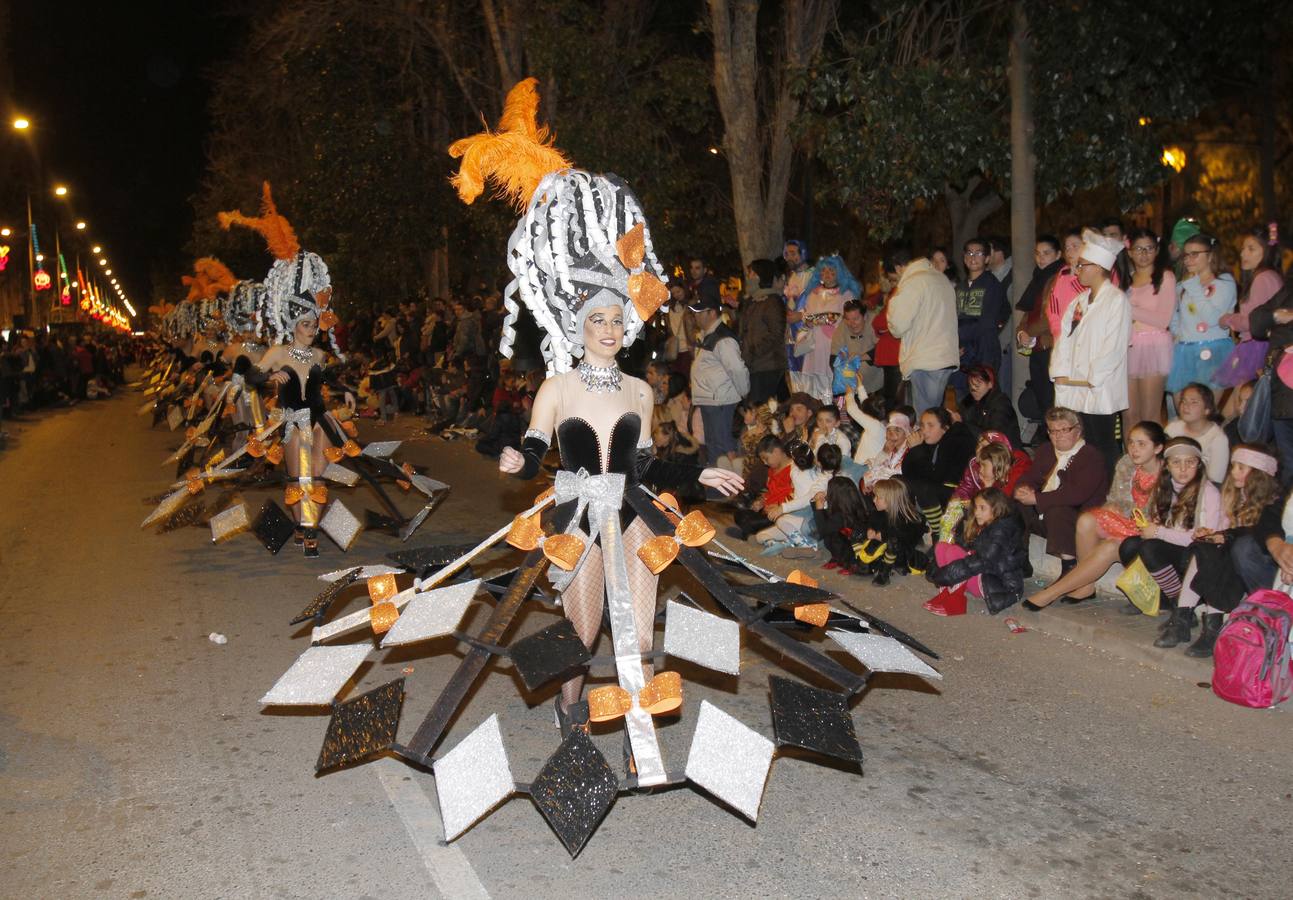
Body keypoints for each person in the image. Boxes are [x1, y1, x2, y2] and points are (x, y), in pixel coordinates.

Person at [459, 87, 745, 764]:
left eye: (617, 320)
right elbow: (530, 449)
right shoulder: (556, 388)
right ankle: (569, 705)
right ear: (576, 326)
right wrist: (513, 459)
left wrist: (697, 472)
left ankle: (635, 719)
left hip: (636, 514)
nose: (610, 330)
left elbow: (647, 466)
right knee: (583, 636)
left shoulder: (643, 391)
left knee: (638, 636)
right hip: (578, 518)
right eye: (598, 321)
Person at [1023, 421, 1167, 609]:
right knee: (1086, 521)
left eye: (1141, 444)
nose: (1134, 449)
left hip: (1151, 529)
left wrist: (1123, 511)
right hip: (1129, 521)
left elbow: (1160, 516)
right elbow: (1116, 498)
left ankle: (1051, 593)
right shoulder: (1127, 465)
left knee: (1109, 546)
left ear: (1158, 448)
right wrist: (1114, 507)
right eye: (1131, 443)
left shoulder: (1167, 474)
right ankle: (1085, 586)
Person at [1168, 445, 1282, 656]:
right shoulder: (1233, 495)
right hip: (1234, 560)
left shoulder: (1273, 503)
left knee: (1228, 551)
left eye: (1241, 467)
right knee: (1206, 547)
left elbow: (1253, 535)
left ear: (1258, 474)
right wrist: (1212, 533)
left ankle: (1212, 627)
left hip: (1259, 569)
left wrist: (1225, 536)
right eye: (1234, 466)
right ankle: (1182, 618)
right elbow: (1226, 530)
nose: (1234, 472)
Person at [1116, 437, 1221, 642]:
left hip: (1199, 558)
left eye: (1190, 462)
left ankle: (1183, 608)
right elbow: (1162, 525)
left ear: (1199, 465)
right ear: (1167, 465)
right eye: (1176, 462)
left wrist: (1158, 532)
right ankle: (1175, 602)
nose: (1183, 468)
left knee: (1151, 548)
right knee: (1130, 546)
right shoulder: (1165, 487)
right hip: (1177, 551)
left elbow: (1205, 540)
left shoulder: (1208, 493)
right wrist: (1151, 526)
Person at [1049, 228, 1132, 477]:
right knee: (1080, 446)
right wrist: (1061, 372)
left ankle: (1106, 495)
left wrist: (1092, 378)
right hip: (1075, 387)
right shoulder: (1078, 301)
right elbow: (1063, 339)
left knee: (1103, 445)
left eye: (1082, 264)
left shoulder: (1116, 301)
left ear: (1098, 267)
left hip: (1099, 388)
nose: (1077, 270)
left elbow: (1114, 346)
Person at [1014, 407, 1111, 572]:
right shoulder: (1046, 450)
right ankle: (1020, 557)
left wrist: (1037, 499)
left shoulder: (1090, 455)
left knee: (1058, 510)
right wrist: (1022, 488)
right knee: (1015, 503)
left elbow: (1076, 494)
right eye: (1053, 431)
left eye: (1064, 430)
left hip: (1080, 516)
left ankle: (1069, 566)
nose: (1058, 435)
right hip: (1045, 511)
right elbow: (1031, 476)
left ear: (1078, 430)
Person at [925, 487, 1030, 615]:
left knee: (954, 554)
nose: (976, 513)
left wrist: (945, 575)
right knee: (942, 546)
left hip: (995, 584)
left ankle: (954, 593)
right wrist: (938, 572)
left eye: (982, 508)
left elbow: (984, 561)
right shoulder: (992, 523)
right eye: (975, 507)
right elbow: (967, 546)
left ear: (997, 508)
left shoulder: (1002, 530)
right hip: (985, 574)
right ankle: (951, 588)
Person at [884, 247, 959, 416]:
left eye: (893, 279)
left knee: (925, 420)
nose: (896, 283)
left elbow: (897, 325)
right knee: (935, 417)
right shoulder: (941, 279)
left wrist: (893, 302)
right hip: (944, 356)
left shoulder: (913, 282)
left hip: (925, 358)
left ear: (897, 268)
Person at [1215, 224, 1284, 390]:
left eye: (1251, 249)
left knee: (1242, 402)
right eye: (1243, 248)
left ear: (1267, 251)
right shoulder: (1270, 276)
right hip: (1261, 345)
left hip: (1256, 346)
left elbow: (1252, 321)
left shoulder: (1263, 278)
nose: (1243, 253)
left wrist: (1227, 319)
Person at [1168, 232, 1236, 394]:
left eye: (1195, 254)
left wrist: (1194, 287)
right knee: (1181, 408)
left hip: (1213, 352)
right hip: (1185, 351)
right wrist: (1179, 333)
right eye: (1186, 255)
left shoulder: (1224, 282)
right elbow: (1174, 314)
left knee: (1206, 408)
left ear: (1210, 256)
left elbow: (1213, 318)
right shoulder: (1184, 285)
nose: (1188, 259)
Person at [688, 292, 749, 469]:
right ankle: (720, 490)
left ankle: (729, 489)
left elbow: (737, 369)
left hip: (720, 401)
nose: (696, 316)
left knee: (722, 448)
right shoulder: (707, 335)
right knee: (715, 447)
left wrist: (743, 393)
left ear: (712, 313)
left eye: (700, 312)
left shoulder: (723, 338)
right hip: (711, 400)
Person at [1123, 228, 1176, 431]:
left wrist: (1128, 309)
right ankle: (1131, 461)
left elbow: (1162, 319)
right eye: (1138, 249)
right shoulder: (1126, 279)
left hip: (1154, 345)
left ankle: (1152, 460)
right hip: (1128, 345)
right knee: (1129, 414)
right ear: (1129, 251)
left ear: (1156, 250)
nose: (1143, 254)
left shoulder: (1165, 277)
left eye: (1149, 249)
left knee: (1150, 414)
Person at [792, 255, 858, 404]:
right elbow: (808, 317)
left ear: (839, 272)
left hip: (834, 345)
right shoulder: (812, 295)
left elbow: (844, 318)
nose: (827, 274)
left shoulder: (846, 294)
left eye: (831, 271)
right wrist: (817, 319)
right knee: (813, 383)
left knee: (833, 380)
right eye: (824, 271)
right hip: (814, 347)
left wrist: (818, 319)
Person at [901, 406, 976, 534]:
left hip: (954, 492)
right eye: (923, 425)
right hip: (934, 490)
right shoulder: (925, 445)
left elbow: (936, 477)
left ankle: (937, 532)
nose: (924, 430)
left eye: (931, 425)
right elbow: (907, 472)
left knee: (923, 488)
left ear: (945, 429)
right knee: (898, 482)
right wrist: (914, 451)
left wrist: (917, 451)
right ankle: (906, 531)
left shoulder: (953, 442)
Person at [1014, 235, 1064, 419]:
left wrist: (1028, 331)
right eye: (1037, 253)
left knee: (1052, 399)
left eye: (1046, 253)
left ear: (1058, 254)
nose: (1041, 258)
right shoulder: (1038, 277)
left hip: (1049, 344)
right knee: (1042, 397)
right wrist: (1020, 332)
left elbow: (1053, 314)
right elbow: (1029, 311)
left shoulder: (1059, 277)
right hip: (1035, 344)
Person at [1248, 275, 1293, 482]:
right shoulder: (1288, 291)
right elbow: (1257, 322)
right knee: (1286, 464)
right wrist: (1276, 315)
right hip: (1282, 392)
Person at [849, 477, 928, 585]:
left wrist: (881, 536)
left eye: (878, 497)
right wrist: (870, 530)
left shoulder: (905, 518)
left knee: (893, 542)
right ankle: (861, 561)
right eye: (874, 496)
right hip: (880, 547)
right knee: (857, 532)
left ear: (891, 500)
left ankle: (884, 574)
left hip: (900, 553)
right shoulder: (878, 511)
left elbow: (904, 538)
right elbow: (871, 522)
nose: (874, 500)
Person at [954, 237, 1009, 388]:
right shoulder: (960, 288)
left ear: (987, 258)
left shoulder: (992, 285)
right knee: (963, 399)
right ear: (964, 258)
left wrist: (965, 342)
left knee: (983, 397)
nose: (973, 258)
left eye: (978, 253)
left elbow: (988, 322)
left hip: (984, 351)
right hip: (961, 354)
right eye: (969, 254)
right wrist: (955, 345)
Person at [738, 258, 788, 404]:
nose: (749, 278)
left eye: (752, 274)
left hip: (768, 365)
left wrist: (753, 351)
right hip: (754, 365)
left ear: (762, 275)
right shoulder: (752, 301)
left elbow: (776, 333)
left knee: (763, 410)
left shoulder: (772, 301)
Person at [1165, 382, 1229, 483]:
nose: (1186, 406)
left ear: (1207, 410)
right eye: (1183, 401)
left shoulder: (1218, 439)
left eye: (1193, 402)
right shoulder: (1172, 428)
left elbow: (1216, 479)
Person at [956, 363, 1021, 448]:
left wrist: (963, 423)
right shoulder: (968, 402)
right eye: (970, 386)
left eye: (977, 385)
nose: (973, 389)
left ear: (990, 384)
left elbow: (993, 436)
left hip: (1003, 452)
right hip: (980, 449)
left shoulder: (1001, 403)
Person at [814, 475, 869, 574]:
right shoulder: (855, 506)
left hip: (853, 552)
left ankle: (846, 562)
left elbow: (822, 530)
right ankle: (839, 558)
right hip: (856, 545)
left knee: (830, 535)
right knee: (832, 529)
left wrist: (819, 509)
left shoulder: (839, 516)